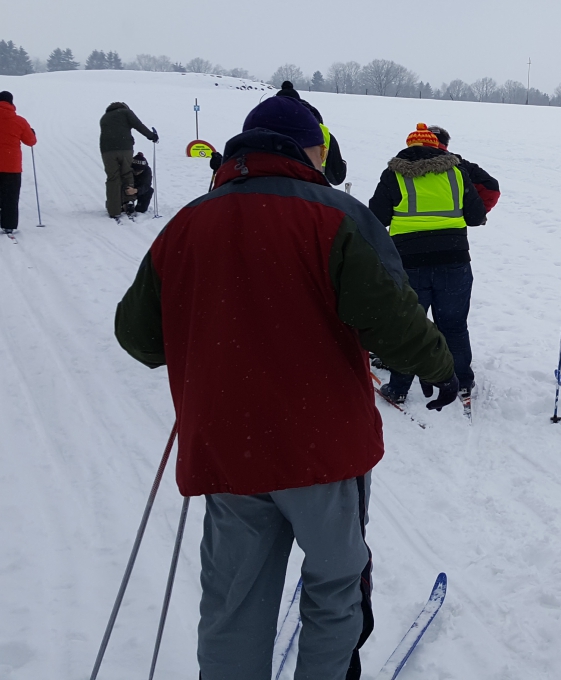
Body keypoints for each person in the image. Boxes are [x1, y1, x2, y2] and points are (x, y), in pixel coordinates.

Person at [114, 96, 458, 680]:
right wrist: (439, 362)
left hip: (228, 453)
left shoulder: (188, 222)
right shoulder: (336, 216)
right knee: (334, 588)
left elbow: (137, 335)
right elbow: (393, 323)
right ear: (309, 148)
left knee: (233, 601)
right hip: (321, 451)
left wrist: (208, 342)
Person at [368, 123, 488, 403]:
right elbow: (476, 216)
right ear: (437, 147)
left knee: (409, 327)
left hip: (408, 264)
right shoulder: (456, 173)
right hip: (454, 261)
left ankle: (398, 389)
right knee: (454, 326)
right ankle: (462, 383)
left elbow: (377, 217)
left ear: (409, 148)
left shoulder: (393, 174)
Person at [0, 91, 36, 238]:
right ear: (11, 103)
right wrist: (32, 133)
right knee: (10, 196)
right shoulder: (19, 121)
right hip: (12, 166)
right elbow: (31, 142)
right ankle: (9, 226)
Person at [275, 79, 347, 185]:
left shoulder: (259, 134)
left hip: (265, 197)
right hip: (311, 195)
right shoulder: (323, 134)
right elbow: (337, 177)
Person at [99, 101, 157, 219]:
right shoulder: (126, 112)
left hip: (107, 151)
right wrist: (152, 136)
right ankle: (129, 203)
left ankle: (113, 210)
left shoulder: (104, 118)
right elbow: (138, 125)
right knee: (127, 174)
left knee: (113, 178)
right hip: (125, 148)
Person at [428, 125, 500, 212]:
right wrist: (475, 214)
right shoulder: (460, 165)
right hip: (451, 223)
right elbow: (491, 187)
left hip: (409, 223)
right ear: (446, 145)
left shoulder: (407, 163)